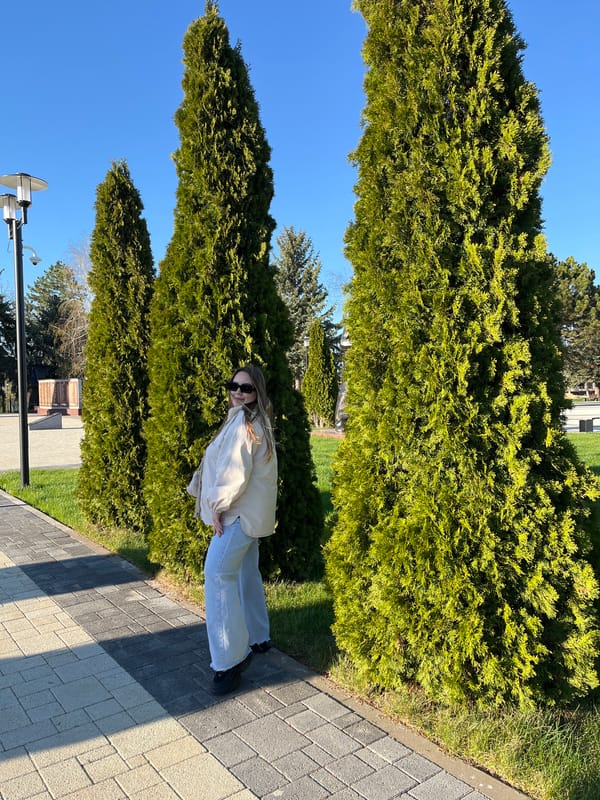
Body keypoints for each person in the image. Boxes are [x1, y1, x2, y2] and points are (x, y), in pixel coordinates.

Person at [198, 364, 278, 695]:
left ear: (257, 393)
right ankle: (258, 637)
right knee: (246, 573)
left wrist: (217, 507)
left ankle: (229, 661)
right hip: (252, 518)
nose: (237, 392)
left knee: (217, 576)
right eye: (233, 385)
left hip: (237, 516)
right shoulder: (257, 423)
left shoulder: (245, 424)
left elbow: (235, 473)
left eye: (245, 388)